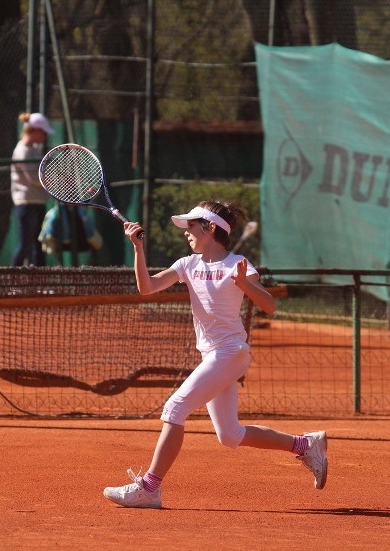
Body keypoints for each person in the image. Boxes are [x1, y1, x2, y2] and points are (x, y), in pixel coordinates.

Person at [103, 200, 327, 509]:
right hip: (213, 355)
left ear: (211, 229)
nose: (186, 233)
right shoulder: (187, 264)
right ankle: (305, 445)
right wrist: (138, 250)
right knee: (229, 434)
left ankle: (149, 488)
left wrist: (243, 284)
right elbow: (147, 287)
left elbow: (270, 306)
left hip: (231, 351)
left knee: (175, 408)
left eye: (192, 226)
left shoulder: (238, 264)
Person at [10, 112, 55, 266]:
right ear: (34, 130)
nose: (44, 136)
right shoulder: (22, 151)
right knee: (25, 245)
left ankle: (40, 284)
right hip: (26, 202)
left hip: (38, 201)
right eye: (43, 132)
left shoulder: (34, 149)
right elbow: (35, 178)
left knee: (38, 244)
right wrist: (55, 182)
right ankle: (10, 279)